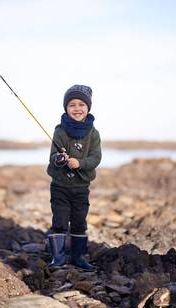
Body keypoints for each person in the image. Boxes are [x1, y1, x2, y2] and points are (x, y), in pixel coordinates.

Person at [47, 84, 102, 270]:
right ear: (66, 108)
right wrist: (60, 158)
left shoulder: (93, 134)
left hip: (80, 187)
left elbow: (96, 158)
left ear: (88, 107)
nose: (77, 108)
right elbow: (53, 158)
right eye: (72, 105)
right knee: (60, 221)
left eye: (81, 104)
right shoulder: (59, 131)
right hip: (60, 187)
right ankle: (58, 257)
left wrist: (80, 163)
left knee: (79, 222)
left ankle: (78, 257)